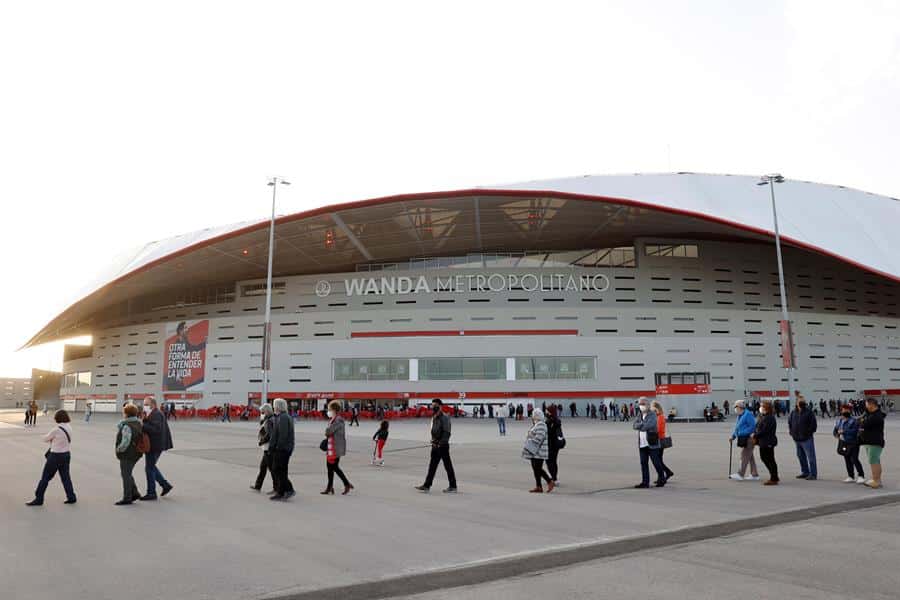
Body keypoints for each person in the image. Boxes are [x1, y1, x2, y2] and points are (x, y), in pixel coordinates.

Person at [26, 409, 76, 506]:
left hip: (55, 456)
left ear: (57, 418)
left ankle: (39, 498)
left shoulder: (56, 429)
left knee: (45, 478)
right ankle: (71, 497)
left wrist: (51, 438)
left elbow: (45, 439)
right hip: (66, 455)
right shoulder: (69, 427)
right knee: (66, 477)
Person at [415, 399, 457, 493]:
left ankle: (453, 486)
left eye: (435, 405)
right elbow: (434, 431)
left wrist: (441, 443)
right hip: (435, 445)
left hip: (442, 446)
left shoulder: (445, 418)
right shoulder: (434, 417)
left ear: (440, 406)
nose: (433, 407)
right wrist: (433, 440)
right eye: (432, 405)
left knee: (448, 466)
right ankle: (427, 485)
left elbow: (447, 432)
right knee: (432, 466)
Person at [140, 397, 174, 500]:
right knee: (151, 467)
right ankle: (165, 485)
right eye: (144, 404)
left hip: (155, 445)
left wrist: (142, 425)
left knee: (149, 468)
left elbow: (155, 429)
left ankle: (151, 493)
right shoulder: (153, 413)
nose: (144, 406)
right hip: (153, 445)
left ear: (153, 405)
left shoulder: (157, 414)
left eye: (146, 404)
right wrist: (145, 420)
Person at [115, 403, 144, 505]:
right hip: (136, 452)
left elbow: (125, 442)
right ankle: (135, 493)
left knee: (126, 475)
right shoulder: (138, 423)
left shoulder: (127, 425)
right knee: (127, 473)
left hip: (128, 453)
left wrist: (119, 449)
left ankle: (127, 497)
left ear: (126, 413)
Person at [632, 397, 665, 488]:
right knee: (643, 463)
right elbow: (634, 425)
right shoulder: (639, 414)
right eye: (640, 404)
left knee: (656, 462)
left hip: (652, 443)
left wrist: (641, 425)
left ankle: (662, 478)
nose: (641, 406)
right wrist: (641, 425)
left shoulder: (652, 414)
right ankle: (645, 482)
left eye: (643, 404)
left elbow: (648, 426)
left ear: (647, 405)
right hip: (642, 444)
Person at [322, 401, 354, 495]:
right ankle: (330, 487)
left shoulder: (338, 420)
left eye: (330, 409)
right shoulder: (333, 419)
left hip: (336, 448)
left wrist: (327, 430)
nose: (328, 411)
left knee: (334, 467)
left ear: (334, 410)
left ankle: (346, 484)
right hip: (331, 447)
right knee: (330, 468)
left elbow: (329, 432)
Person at [269, 398, 295, 500]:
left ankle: (287, 490)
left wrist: (277, 447)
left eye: (274, 405)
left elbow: (282, 435)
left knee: (277, 469)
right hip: (284, 448)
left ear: (278, 406)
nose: (273, 407)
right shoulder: (281, 416)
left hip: (282, 449)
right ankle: (283, 491)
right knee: (281, 470)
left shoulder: (283, 417)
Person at [522, 408, 553, 493]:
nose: (532, 416)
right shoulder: (536, 424)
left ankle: (549, 481)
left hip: (539, 451)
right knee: (535, 469)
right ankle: (538, 486)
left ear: (537, 416)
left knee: (538, 469)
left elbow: (539, 438)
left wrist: (530, 439)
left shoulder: (541, 425)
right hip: (534, 451)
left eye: (533, 415)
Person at [833, 405, 865, 484]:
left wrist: (844, 431)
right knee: (847, 459)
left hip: (853, 442)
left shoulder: (854, 420)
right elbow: (835, 430)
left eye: (847, 410)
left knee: (854, 459)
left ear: (850, 411)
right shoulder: (839, 421)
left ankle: (861, 476)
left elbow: (855, 431)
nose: (845, 411)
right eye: (844, 410)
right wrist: (836, 434)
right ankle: (851, 476)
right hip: (843, 443)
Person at [858, 397, 885, 489]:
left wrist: (862, 422)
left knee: (873, 461)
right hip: (869, 441)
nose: (865, 406)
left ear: (871, 404)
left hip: (874, 442)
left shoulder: (876, 416)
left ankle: (876, 481)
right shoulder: (871, 414)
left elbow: (863, 424)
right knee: (875, 461)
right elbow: (862, 422)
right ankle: (877, 480)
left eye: (866, 404)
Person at [788, 397, 818, 480]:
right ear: (796, 402)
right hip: (797, 439)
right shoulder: (793, 412)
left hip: (806, 438)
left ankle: (813, 474)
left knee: (811, 457)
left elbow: (813, 425)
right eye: (800, 401)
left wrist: (807, 433)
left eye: (803, 401)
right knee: (800, 456)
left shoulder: (809, 412)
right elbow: (790, 423)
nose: (801, 402)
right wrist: (791, 432)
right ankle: (805, 472)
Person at [729, 400, 760, 481]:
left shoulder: (748, 414)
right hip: (743, 438)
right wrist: (733, 436)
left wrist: (743, 433)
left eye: (735, 407)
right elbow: (737, 428)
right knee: (750, 457)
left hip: (749, 438)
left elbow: (752, 427)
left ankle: (740, 474)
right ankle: (754, 474)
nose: (735, 409)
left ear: (739, 407)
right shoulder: (740, 415)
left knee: (744, 455)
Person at [752, 400, 779, 485]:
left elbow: (764, 430)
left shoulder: (769, 418)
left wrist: (755, 436)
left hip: (768, 441)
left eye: (762, 406)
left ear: (767, 408)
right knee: (765, 458)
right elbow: (757, 426)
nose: (761, 407)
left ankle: (774, 478)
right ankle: (774, 476)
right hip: (763, 441)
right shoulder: (763, 416)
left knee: (769, 459)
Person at [251, 403, 276, 492]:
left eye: (262, 412)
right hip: (267, 448)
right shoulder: (270, 419)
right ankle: (258, 485)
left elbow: (269, 434)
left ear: (266, 411)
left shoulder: (269, 421)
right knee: (263, 468)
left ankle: (276, 488)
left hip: (268, 447)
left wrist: (261, 441)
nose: (261, 413)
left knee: (272, 469)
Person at [652, 400, 674, 482]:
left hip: (660, 440)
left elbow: (659, 429)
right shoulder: (657, 416)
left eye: (652, 407)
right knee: (658, 460)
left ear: (656, 408)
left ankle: (666, 473)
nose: (651, 409)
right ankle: (666, 473)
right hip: (658, 440)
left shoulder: (660, 417)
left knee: (658, 460)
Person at [545, 405, 564, 487]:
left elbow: (548, 433)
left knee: (549, 462)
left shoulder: (550, 421)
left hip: (551, 445)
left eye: (547, 411)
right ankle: (554, 478)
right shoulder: (557, 420)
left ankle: (554, 479)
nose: (546, 412)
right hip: (556, 445)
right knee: (553, 461)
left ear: (550, 412)